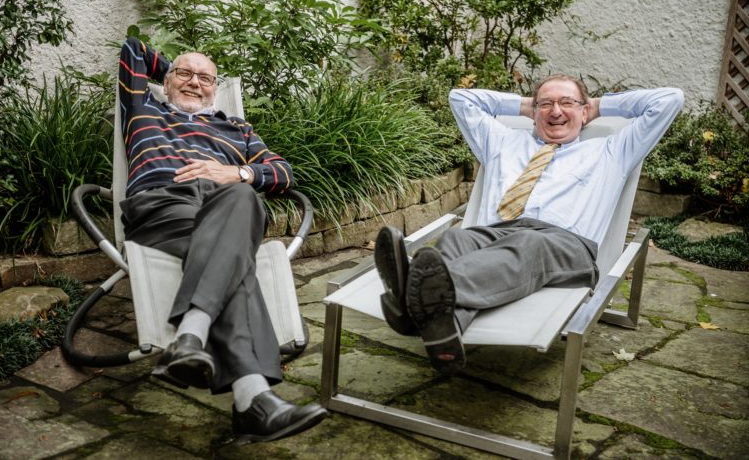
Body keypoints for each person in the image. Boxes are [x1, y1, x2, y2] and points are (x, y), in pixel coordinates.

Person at [374, 75, 684, 375]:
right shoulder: (501, 141)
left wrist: (597, 105)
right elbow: (461, 98)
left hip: (564, 244)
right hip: (494, 233)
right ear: (533, 111)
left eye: (567, 103)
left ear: (584, 110)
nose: (556, 111)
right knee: (456, 241)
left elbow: (669, 100)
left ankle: (410, 294)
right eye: (546, 104)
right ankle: (441, 330)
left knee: (527, 244)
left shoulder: (613, 150)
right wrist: (527, 105)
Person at [118, 37, 327, 443]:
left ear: (217, 89)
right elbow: (134, 49)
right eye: (184, 74)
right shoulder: (143, 109)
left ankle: (190, 337)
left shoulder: (238, 128)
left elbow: (283, 173)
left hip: (226, 206)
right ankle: (253, 399)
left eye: (205, 79)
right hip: (165, 206)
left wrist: (239, 173)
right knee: (236, 265)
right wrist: (176, 76)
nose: (195, 83)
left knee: (242, 195)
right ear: (166, 79)